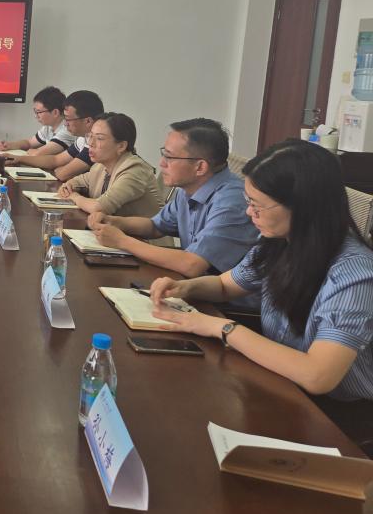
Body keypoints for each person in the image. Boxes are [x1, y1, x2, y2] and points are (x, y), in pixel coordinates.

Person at [148, 140, 373, 433]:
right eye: (248, 201)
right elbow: (225, 285)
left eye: (257, 205)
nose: (248, 213)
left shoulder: (354, 274)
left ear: (303, 207)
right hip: (280, 382)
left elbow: (318, 376)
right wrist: (185, 288)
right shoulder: (278, 243)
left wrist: (221, 328)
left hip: (337, 416)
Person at [87, 118, 258, 278]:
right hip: (190, 283)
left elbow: (193, 264)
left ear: (200, 167)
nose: (161, 163)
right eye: (164, 154)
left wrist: (122, 241)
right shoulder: (189, 186)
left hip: (221, 296)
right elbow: (155, 226)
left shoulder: (232, 202)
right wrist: (114, 222)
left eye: (169, 157)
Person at [56, 112, 162, 218]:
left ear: (121, 146)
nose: (91, 143)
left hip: (140, 229)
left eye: (99, 138)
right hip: (111, 226)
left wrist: (74, 197)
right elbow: (78, 182)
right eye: (90, 136)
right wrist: (68, 187)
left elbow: (98, 208)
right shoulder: (101, 166)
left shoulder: (135, 170)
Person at [7, 90, 104, 181]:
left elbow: (63, 174)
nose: (65, 124)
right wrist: (18, 159)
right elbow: (55, 160)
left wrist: (60, 169)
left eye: (68, 119)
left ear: (88, 121)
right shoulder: (82, 139)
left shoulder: (96, 143)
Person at [0, 86, 75, 156]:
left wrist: (33, 151)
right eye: (35, 112)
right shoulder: (48, 127)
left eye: (39, 112)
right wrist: (9, 145)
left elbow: (38, 153)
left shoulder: (67, 130)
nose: (36, 116)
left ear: (55, 112)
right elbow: (29, 143)